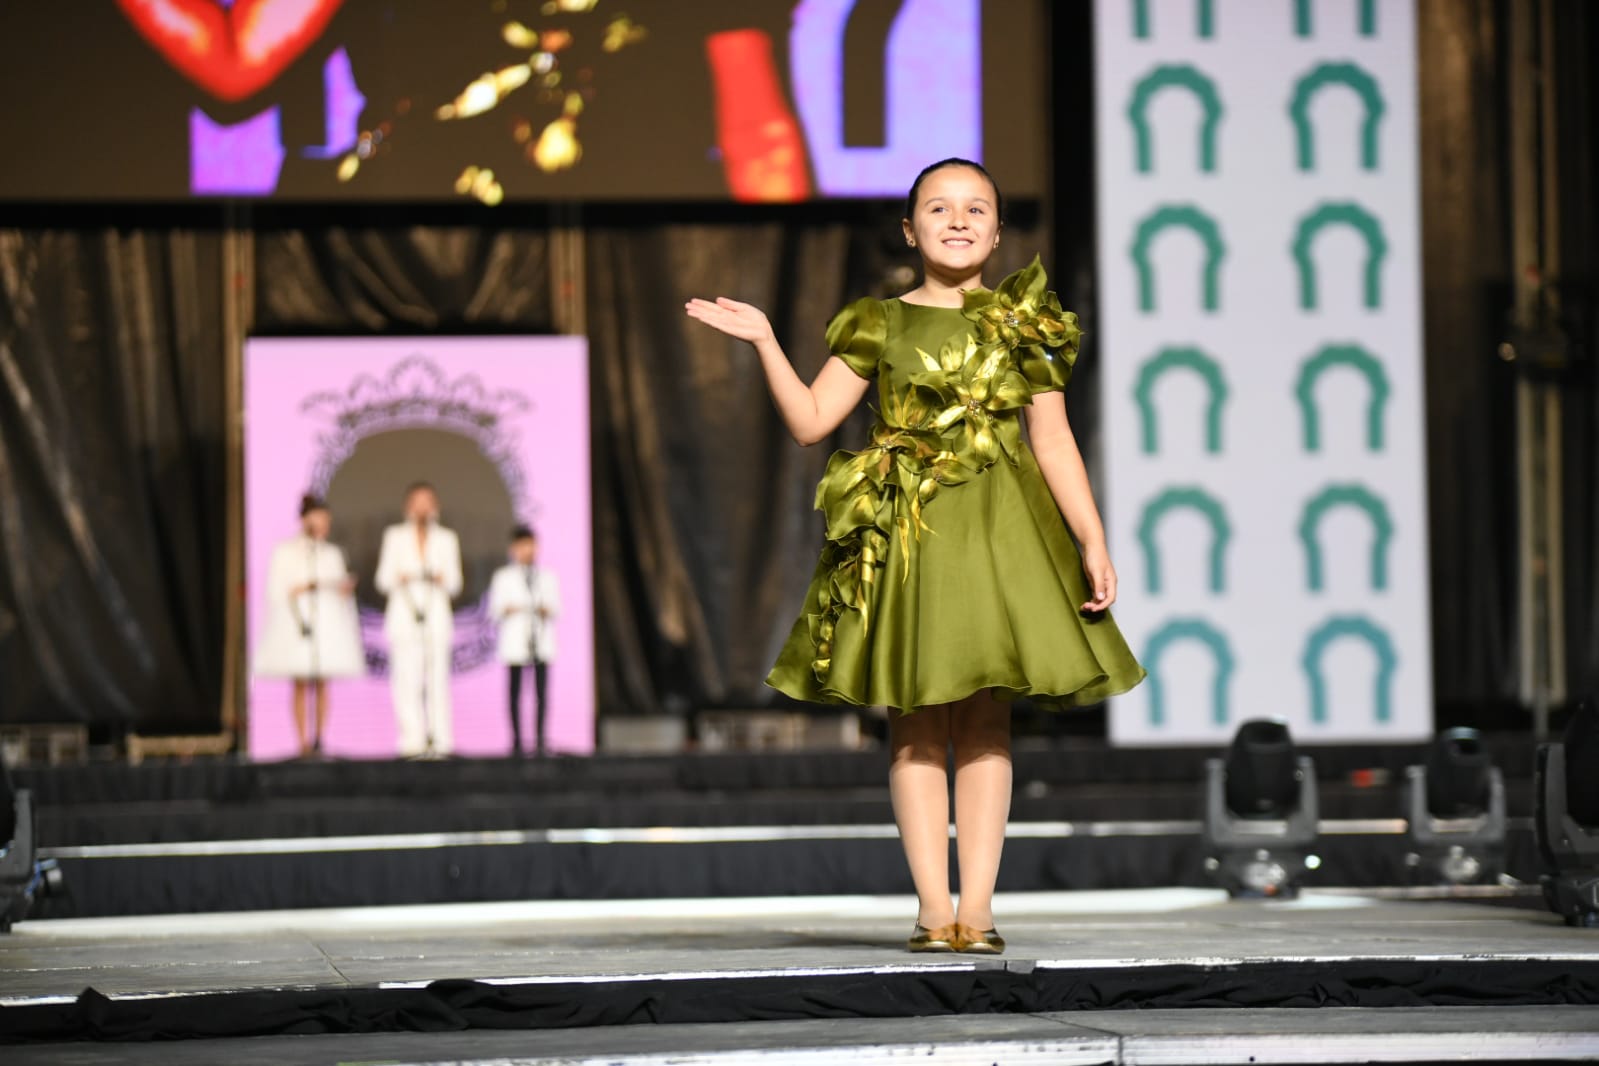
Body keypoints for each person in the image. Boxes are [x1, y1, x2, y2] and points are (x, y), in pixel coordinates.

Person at [685, 159, 1146, 955]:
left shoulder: (1022, 323)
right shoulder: (878, 322)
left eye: (977, 208)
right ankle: (935, 911)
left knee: (989, 723)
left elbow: (1053, 437)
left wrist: (1092, 537)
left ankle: (981, 907)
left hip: (1004, 539)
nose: (958, 220)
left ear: (998, 231)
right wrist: (764, 340)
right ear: (909, 229)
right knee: (916, 726)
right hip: (910, 542)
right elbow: (809, 422)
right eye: (939, 207)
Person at [253, 495, 365, 757]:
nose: (324, 523)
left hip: (326, 621)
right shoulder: (285, 551)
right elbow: (276, 590)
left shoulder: (332, 553)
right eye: (319, 518)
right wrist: (304, 586)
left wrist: (342, 590)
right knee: (301, 682)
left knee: (323, 681)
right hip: (298, 622)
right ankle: (301, 742)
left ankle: (320, 739)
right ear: (306, 519)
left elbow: (339, 587)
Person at [374, 482, 463, 759]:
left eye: (428, 501)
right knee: (406, 682)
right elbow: (382, 580)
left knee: (437, 682)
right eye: (417, 501)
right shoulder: (395, 536)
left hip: (436, 619)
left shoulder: (447, 539)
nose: (423, 507)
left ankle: (440, 741)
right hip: (404, 619)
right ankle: (411, 741)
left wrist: (440, 578)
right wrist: (403, 576)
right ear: (408, 505)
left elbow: (456, 583)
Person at [487, 526, 562, 757]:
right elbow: (495, 610)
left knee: (541, 694)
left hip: (539, 641)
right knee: (515, 693)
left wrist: (542, 609)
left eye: (531, 545)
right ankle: (517, 741)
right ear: (513, 549)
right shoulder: (503, 576)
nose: (527, 550)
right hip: (516, 643)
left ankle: (540, 739)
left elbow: (557, 608)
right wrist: (516, 608)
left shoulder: (546, 577)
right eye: (522, 546)